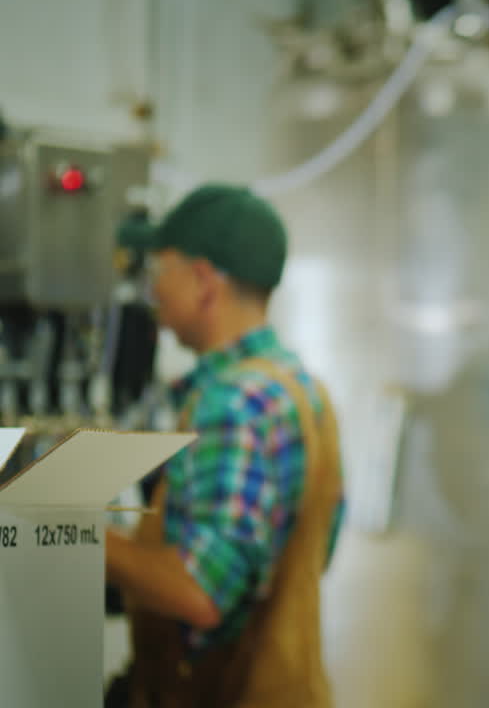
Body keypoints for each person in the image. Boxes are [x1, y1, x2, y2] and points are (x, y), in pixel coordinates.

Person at [105, 184, 345, 707]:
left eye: (160, 271)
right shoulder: (302, 389)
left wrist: (73, 535)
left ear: (204, 281)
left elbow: (201, 594)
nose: (154, 290)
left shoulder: (232, 405)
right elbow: (308, 555)